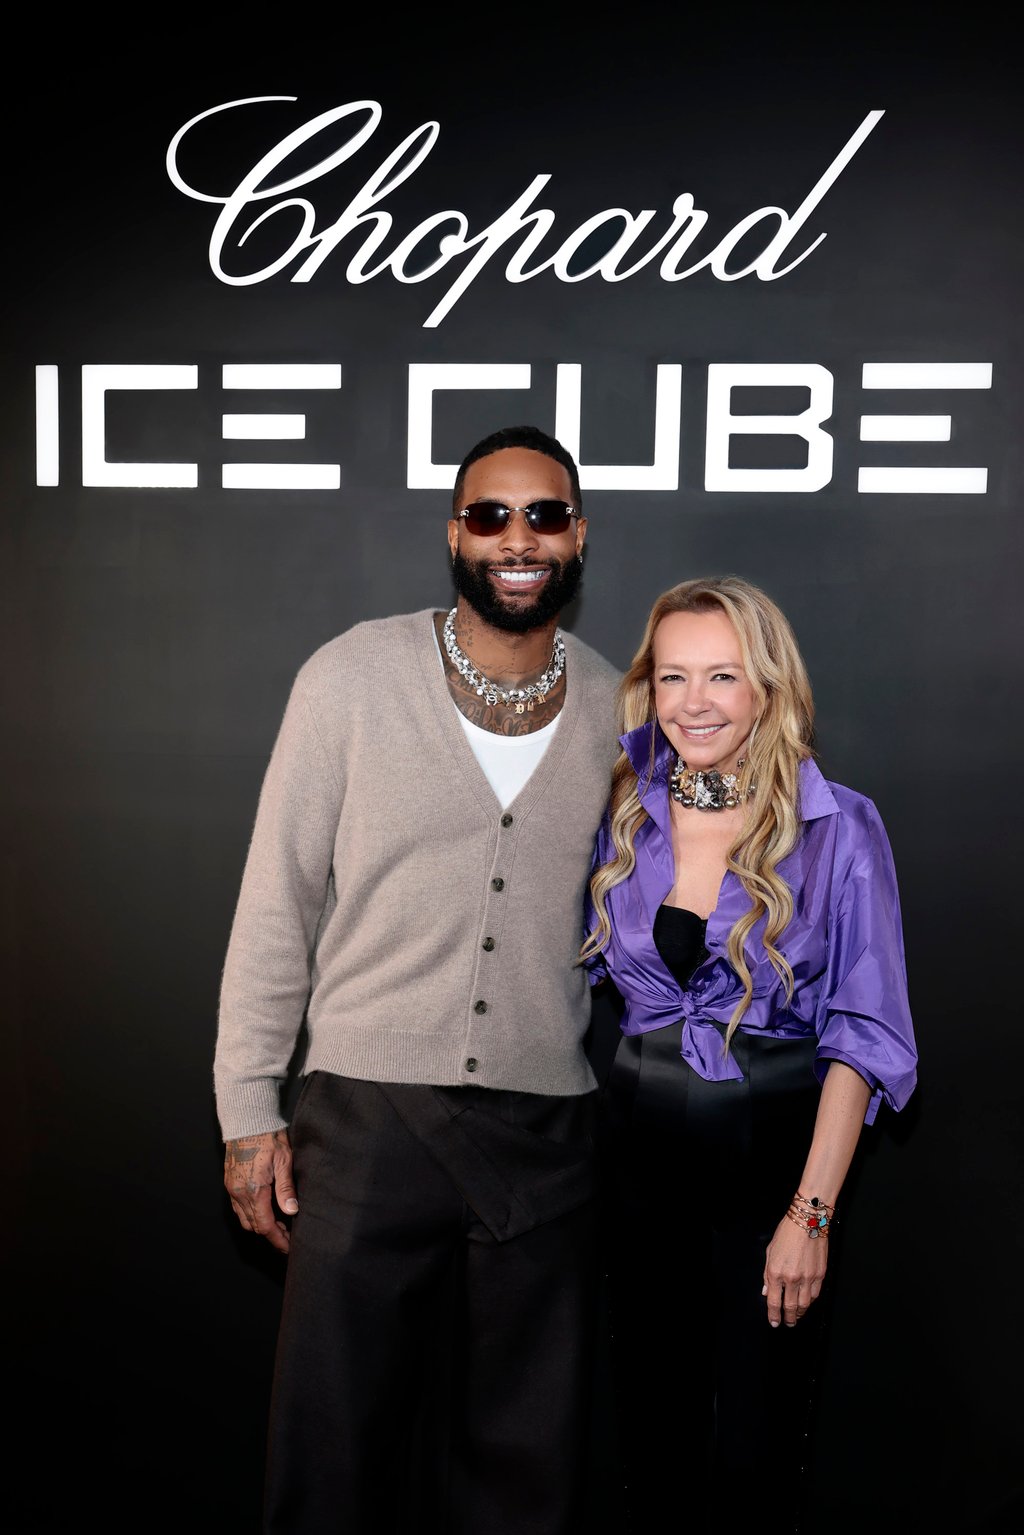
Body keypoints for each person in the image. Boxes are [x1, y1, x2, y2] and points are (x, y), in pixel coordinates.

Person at [213, 424, 622, 1535]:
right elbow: (277, 899)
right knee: (332, 1441)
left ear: (577, 535)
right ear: (455, 533)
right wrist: (249, 1106)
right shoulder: (351, 674)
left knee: (521, 1459)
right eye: (490, 515)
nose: (517, 539)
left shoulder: (620, 709)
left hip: (545, 1136)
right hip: (365, 1119)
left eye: (544, 515)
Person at [580, 575, 918, 1535]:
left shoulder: (836, 826)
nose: (694, 702)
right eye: (674, 675)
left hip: (774, 1162)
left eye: (722, 676)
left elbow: (865, 1031)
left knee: (759, 1453)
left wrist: (810, 1211)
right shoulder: (624, 815)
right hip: (635, 1166)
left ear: (768, 688)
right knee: (652, 1443)